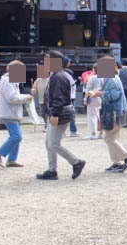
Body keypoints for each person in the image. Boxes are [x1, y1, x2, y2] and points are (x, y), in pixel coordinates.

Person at [36, 51, 86, 180]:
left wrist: (55, 114)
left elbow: (58, 98)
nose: (44, 63)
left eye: (47, 60)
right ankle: (52, 170)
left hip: (59, 112)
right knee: (49, 142)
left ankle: (76, 162)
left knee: (53, 143)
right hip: (57, 111)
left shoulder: (58, 76)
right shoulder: (57, 75)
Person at [88, 58, 127, 173]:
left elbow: (115, 94)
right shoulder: (112, 77)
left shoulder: (111, 79)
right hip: (118, 110)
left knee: (108, 137)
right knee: (113, 137)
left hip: (115, 110)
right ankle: (117, 162)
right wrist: (100, 91)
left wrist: (101, 93)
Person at [0, 60, 33, 168]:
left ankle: (11, 160)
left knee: (15, 136)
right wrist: (26, 97)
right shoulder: (7, 80)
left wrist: (24, 97)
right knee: (16, 136)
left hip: (12, 112)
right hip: (9, 113)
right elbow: (12, 98)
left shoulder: (12, 80)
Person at [83, 65, 102, 140]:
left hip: (93, 98)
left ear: (94, 70)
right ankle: (101, 132)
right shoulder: (104, 78)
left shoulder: (92, 78)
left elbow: (88, 90)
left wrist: (85, 99)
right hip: (101, 98)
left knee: (92, 117)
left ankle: (93, 134)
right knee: (99, 116)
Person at [63, 56, 79, 137]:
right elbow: (73, 83)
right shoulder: (68, 72)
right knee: (71, 114)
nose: (70, 63)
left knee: (62, 113)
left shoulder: (57, 72)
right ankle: (73, 131)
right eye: (68, 62)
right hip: (70, 95)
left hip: (62, 95)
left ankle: (62, 132)